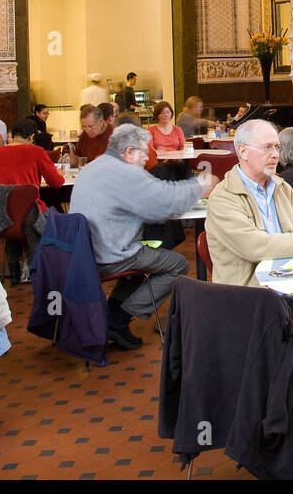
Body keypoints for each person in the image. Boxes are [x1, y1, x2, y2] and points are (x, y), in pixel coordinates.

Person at [205, 119, 293, 357]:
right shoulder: (224, 198)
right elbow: (256, 246)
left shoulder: (282, 187)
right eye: (267, 148)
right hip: (252, 299)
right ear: (243, 151)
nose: (275, 155)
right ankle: (283, 388)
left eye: (277, 148)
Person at [70, 123, 211, 349]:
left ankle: (112, 314)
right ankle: (118, 320)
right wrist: (199, 186)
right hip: (111, 253)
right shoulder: (125, 173)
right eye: (144, 152)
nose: (147, 158)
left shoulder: (95, 165)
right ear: (128, 152)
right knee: (177, 264)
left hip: (85, 251)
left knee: (146, 261)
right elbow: (164, 202)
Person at [0, 120, 65, 211]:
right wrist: (59, 174)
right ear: (32, 137)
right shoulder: (37, 151)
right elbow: (56, 183)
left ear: (13, 135)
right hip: (30, 210)